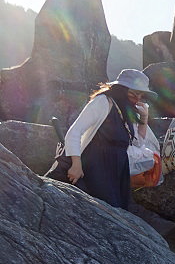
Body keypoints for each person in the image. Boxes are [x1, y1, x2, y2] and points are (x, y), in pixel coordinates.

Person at [62, 68, 157, 210]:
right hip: (97, 163)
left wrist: (143, 118)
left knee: (118, 209)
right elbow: (75, 132)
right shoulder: (103, 102)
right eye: (133, 94)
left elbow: (137, 143)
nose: (137, 99)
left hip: (119, 167)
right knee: (102, 207)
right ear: (121, 89)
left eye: (141, 95)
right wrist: (76, 164)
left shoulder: (126, 109)